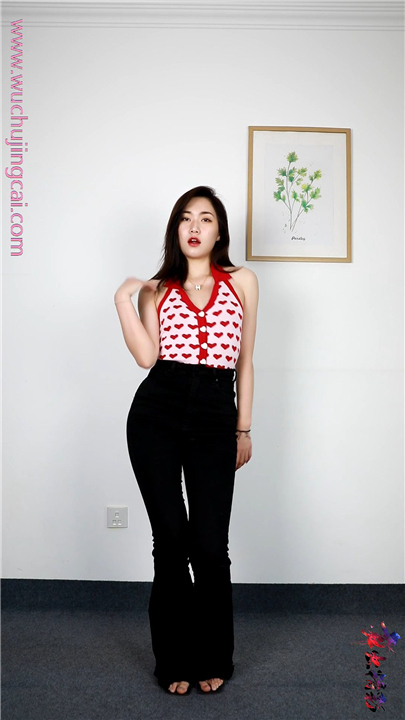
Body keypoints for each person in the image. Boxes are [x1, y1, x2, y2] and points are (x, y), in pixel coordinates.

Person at [114, 185, 259, 695]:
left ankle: (213, 655)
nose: (195, 227)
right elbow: (145, 358)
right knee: (171, 542)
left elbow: (245, 361)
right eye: (185, 218)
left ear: (220, 231)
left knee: (210, 545)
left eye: (206, 218)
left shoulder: (242, 281)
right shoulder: (157, 289)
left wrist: (243, 427)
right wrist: (123, 300)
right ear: (175, 229)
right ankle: (173, 660)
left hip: (217, 414)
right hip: (156, 412)